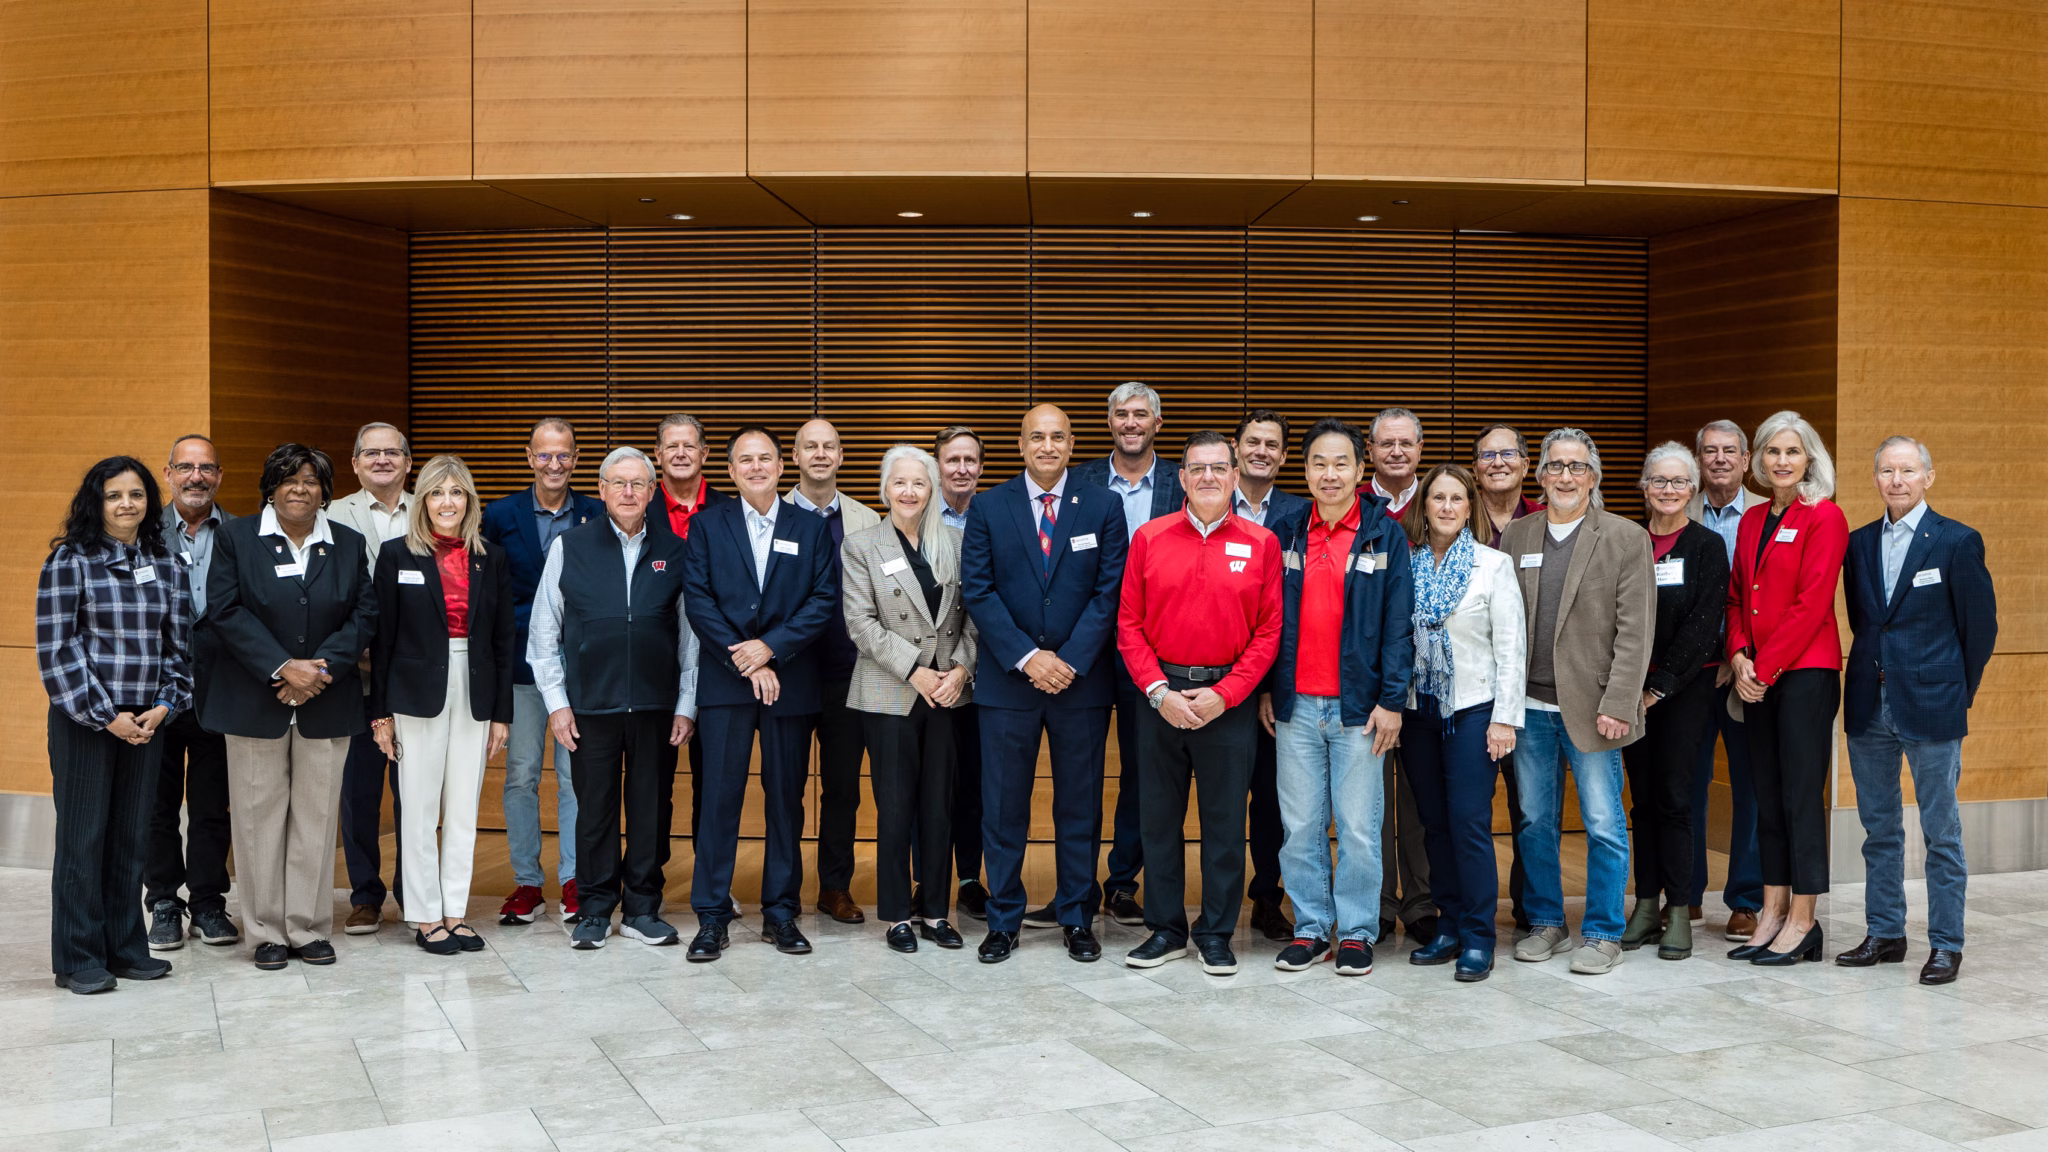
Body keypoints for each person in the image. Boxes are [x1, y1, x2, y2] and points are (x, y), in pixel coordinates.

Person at [960, 404, 1129, 964]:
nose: (1049, 446)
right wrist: (1030, 658)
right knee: (1004, 805)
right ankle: (1003, 918)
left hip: (1079, 684)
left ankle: (1077, 917)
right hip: (1009, 684)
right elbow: (978, 591)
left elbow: (1110, 593)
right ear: (1021, 443)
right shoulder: (989, 506)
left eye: (1058, 436)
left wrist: (1070, 661)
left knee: (1078, 806)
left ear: (1072, 442)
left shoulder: (1103, 505)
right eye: (1038, 436)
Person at [201, 443, 377, 970]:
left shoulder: (345, 542)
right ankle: (265, 932)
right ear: (270, 487)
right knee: (257, 819)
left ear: (324, 490)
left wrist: (317, 670)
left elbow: (364, 614)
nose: (299, 488)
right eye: (288, 479)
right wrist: (284, 667)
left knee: (317, 820)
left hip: (327, 699)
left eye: (310, 479)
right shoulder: (236, 539)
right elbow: (224, 610)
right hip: (255, 701)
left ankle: (307, 928)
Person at [1117, 431, 1282, 975]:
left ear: (1235, 476)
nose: (1208, 477)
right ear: (1181, 478)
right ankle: (1165, 930)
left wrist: (1224, 694)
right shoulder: (1149, 537)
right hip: (1159, 700)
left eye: (1218, 468)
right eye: (1197, 468)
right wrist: (1159, 693)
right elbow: (1129, 626)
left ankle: (1215, 933)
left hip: (1226, 704)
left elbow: (1269, 633)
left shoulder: (1262, 544)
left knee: (1224, 824)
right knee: (1158, 822)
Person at [528, 446, 699, 951]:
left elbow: (691, 638)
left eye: (638, 484)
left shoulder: (677, 549)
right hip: (589, 708)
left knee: (650, 808)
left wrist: (686, 705)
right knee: (595, 808)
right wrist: (557, 703)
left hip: (655, 708)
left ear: (653, 492)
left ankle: (643, 908)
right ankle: (595, 909)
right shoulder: (571, 547)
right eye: (617, 483)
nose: (628, 492)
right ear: (600, 490)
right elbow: (543, 632)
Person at [1840, 437, 1996, 985]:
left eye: (1908, 470)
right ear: (1876, 478)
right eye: (1887, 470)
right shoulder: (1857, 545)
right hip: (1867, 706)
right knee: (1878, 828)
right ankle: (1885, 932)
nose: (1897, 480)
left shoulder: (1956, 541)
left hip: (1933, 706)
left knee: (1941, 831)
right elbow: (1866, 624)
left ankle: (1946, 943)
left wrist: (1957, 691)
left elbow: (1980, 631)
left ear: (1929, 476)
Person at [1499, 428, 1653, 975]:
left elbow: (1636, 631)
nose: (1566, 476)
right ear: (1539, 475)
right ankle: (1546, 923)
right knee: (1535, 820)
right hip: (1530, 709)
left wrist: (1619, 701)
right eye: (1556, 466)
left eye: (1577, 467)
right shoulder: (1516, 536)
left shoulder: (1625, 537)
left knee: (1603, 822)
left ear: (1594, 476)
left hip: (1595, 709)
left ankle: (1604, 932)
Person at [683, 427, 839, 961]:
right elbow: (698, 600)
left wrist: (769, 649)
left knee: (785, 804)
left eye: (765, 458)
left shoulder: (811, 528)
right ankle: (711, 916)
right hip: (726, 685)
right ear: (729, 470)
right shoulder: (706, 526)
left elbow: (823, 601)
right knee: (718, 802)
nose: (755, 467)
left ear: (781, 465)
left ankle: (781, 912)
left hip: (789, 684)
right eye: (744, 460)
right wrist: (743, 657)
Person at [38, 457, 192, 993]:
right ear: (95, 503)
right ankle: (78, 958)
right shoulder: (70, 561)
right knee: (84, 840)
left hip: (147, 721)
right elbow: (58, 651)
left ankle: (126, 949)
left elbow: (179, 649)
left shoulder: (166, 563)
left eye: (137, 494)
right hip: (86, 722)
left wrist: (165, 706)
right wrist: (108, 717)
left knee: (130, 839)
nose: (127, 504)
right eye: (114, 495)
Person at [1263, 419, 1412, 977]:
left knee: (1356, 827)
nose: (1330, 474)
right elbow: (1268, 619)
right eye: (1319, 464)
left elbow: (1399, 626)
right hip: (1296, 706)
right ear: (1305, 471)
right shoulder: (1287, 529)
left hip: (1360, 711)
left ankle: (1354, 932)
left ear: (1360, 469)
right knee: (1299, 826)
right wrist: (1268, 693)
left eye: (1341, 463)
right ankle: (1309, 929)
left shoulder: (1383, 533)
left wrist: (1392, 700)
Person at [370, 456, 516, 954]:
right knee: (419, 806)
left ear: (469, 501)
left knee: (462, 809)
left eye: (456, 493)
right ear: (423, 500)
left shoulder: (490, 557)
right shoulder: (395, 555)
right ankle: (425, 914)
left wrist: (502, 713)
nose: (447, 502)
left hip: (474, 690)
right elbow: (382, 639)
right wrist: (381, 713)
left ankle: (455, 911)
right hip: (414, 693)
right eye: (437, 493)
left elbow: (502, 638)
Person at [1725, 410, 1848, 967]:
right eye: (1772, 451)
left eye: (1792, 452)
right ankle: (1771, 912)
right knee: (1767, 798)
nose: (1781, 461)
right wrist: (1738, 657)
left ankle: (1803, 919)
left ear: (1809, 459)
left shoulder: (1824, 517)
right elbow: (1735, 598)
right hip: (1758, 676)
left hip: (1804, 675)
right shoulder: (1752, 521)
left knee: (1800, 798)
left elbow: (1812, 603)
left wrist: (1764, 669)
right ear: (1758, 460)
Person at [842, 446, 978, 952]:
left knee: (939, 808)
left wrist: (961, 670)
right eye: (899, 482)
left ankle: (937, 913)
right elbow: (860, 623)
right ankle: (898, 915)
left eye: (918, 483)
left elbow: (974, 617)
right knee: (896, 808)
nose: (909, 491)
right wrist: (916, 671)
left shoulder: (957, 543)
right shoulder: (861, 545)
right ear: (884, 488)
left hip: (948, 692)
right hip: (890, 692)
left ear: (933, 488)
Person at [1397, 463, 1523, 982]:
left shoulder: (1493, 566)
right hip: (1418, 710)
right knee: (1435, 825)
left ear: (1470, 508)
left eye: (1456, 499)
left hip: (1474, 710)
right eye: (1437, 498)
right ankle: (1447, 925)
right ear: (1423, 506)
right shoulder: (1406, 564)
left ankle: (1477, 935)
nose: (1447, 507)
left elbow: (1511, 648)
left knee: (1469, 824)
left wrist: (1505, 720)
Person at [480, 418, 602, 926]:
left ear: (576, 458)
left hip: (583, 669)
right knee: (522, 775)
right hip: (521, 671)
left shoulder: (596, 513)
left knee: (577, 780)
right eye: (544, 455)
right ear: (529, 457)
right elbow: (486, 591)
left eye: (564, 455)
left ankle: (576, 880)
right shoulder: (499, 514)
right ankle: (527, 883)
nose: (555, 465)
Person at [1072, 382, 1180, 929]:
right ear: (1109, 421)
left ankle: (1122, 883)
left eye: (1141, 414)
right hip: (1086, 648)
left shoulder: (1184, 481)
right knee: (1081, 771)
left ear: (1157, 423)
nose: (1131, 422)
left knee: (1143, 772)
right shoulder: (1081, 480)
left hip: (1155, 652)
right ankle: (1076, 887)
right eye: (1121, 414)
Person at [1618, 444, 1729, 961]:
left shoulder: (1706, 545)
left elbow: (1705, 626)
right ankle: (1644, 902)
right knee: (1640, 801)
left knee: (1676, 799)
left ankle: (1679, 908)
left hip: (1683, 693)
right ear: (1645, 487)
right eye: (1658, 481)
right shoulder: (1627, 543)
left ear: (1693, 488)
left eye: (1678, 481)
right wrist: (1630, 688)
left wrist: (1658, 685)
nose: (1668, 490)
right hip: (1628, 694)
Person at [144, 434, 240, 952]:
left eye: (206, 468)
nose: (196, 477)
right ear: (168, 473)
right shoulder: (141, 532)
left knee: (211, 804)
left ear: (219, 476)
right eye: (186, 467)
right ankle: (162, 900)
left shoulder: (241, 534)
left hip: (219, 689)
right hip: (152, 691)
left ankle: (207, 902)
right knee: (155, 805)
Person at [786, 418, 882, 925]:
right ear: (795, 456)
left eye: (829, 447)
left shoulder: (868, 520)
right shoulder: (772, 514)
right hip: (791, 674)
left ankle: (834, 887)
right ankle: (783, 889)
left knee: (843, 787)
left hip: (851, 674)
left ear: (842, 455)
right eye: (810, 447)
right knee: (788, 784)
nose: (820, 454)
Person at [328, 422, 414, 934]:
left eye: (391, 452)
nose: (381, 460)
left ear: (407, 462)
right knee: (358, 793)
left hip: (411, 678)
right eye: (371, 453)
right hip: (354, 679)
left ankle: (414, 891)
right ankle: (365, 894)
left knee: (415, 792)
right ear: (355, 463)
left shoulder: (432, 508)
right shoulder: (334, 515)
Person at [1686, 418, 1766, 941]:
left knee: (1751, 787)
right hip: (1688, 674)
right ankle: (1684, 894)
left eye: (1729, 451)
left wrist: (1738, 657)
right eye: (1709, 451)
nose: (1718, 459)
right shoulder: (1673, 508)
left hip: (1747, 671)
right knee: (1684, 784)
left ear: (1745, 460)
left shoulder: (1765, 515)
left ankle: (1746, 900)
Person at [1232, 409, 1305, 942]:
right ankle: (1211, 899)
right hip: (1207, 681)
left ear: (1283, 456)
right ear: (1236, 449)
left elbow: (1294, 611)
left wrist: (1268, 687)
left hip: (1275, 686)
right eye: (1252, 441)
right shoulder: (1197, 500)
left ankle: (1266, 897)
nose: (1261, 450)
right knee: (1219, 796)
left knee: (1272, 801)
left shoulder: (1302, 515)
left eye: (1271, 444)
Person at [1367, 406, 1434, 945]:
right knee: (1370, 797)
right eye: (1385, 443)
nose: (1395, 452)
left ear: (1419, 449)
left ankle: (1419, 901)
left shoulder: (1438, 503)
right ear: (1369, 451)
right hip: (1366, 676)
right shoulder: (1352, 503)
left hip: (1429, 676)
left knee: (1416, 793)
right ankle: (1378, 900)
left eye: (1405, 444)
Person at [1469, 423, 1538, 934]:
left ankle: (1533, 908)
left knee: (1530, 809)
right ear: (1475, 466)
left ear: (1525, 463)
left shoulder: (1544, 521)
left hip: (1531, 688)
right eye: (1488, 455)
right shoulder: (1453, 515)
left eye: (1508, 453)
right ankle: (1466, 908)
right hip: (1468, 691)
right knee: (1467, 811)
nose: (1498, 462)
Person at [650, 413, 731, 850]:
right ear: (657, 455)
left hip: (716, 662)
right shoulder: (637, 507)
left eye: (689, 446)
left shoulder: (728, 510)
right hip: (654, 663)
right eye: (671, 446)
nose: (680, 454)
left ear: (704, 454)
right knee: (653, 781)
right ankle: (649, 882)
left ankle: (711, 880)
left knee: (713, 778)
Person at [934, 425, 989, 918]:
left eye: (970, 460)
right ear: (938, 464)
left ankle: (970, 878)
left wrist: (963, 668)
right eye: (953, 459)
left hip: (977, 675)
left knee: (973, 781)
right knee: (927, 785)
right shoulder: (916, 513)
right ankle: (925, 878)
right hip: (923, 681)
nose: (962, 469)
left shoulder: (995, 515)